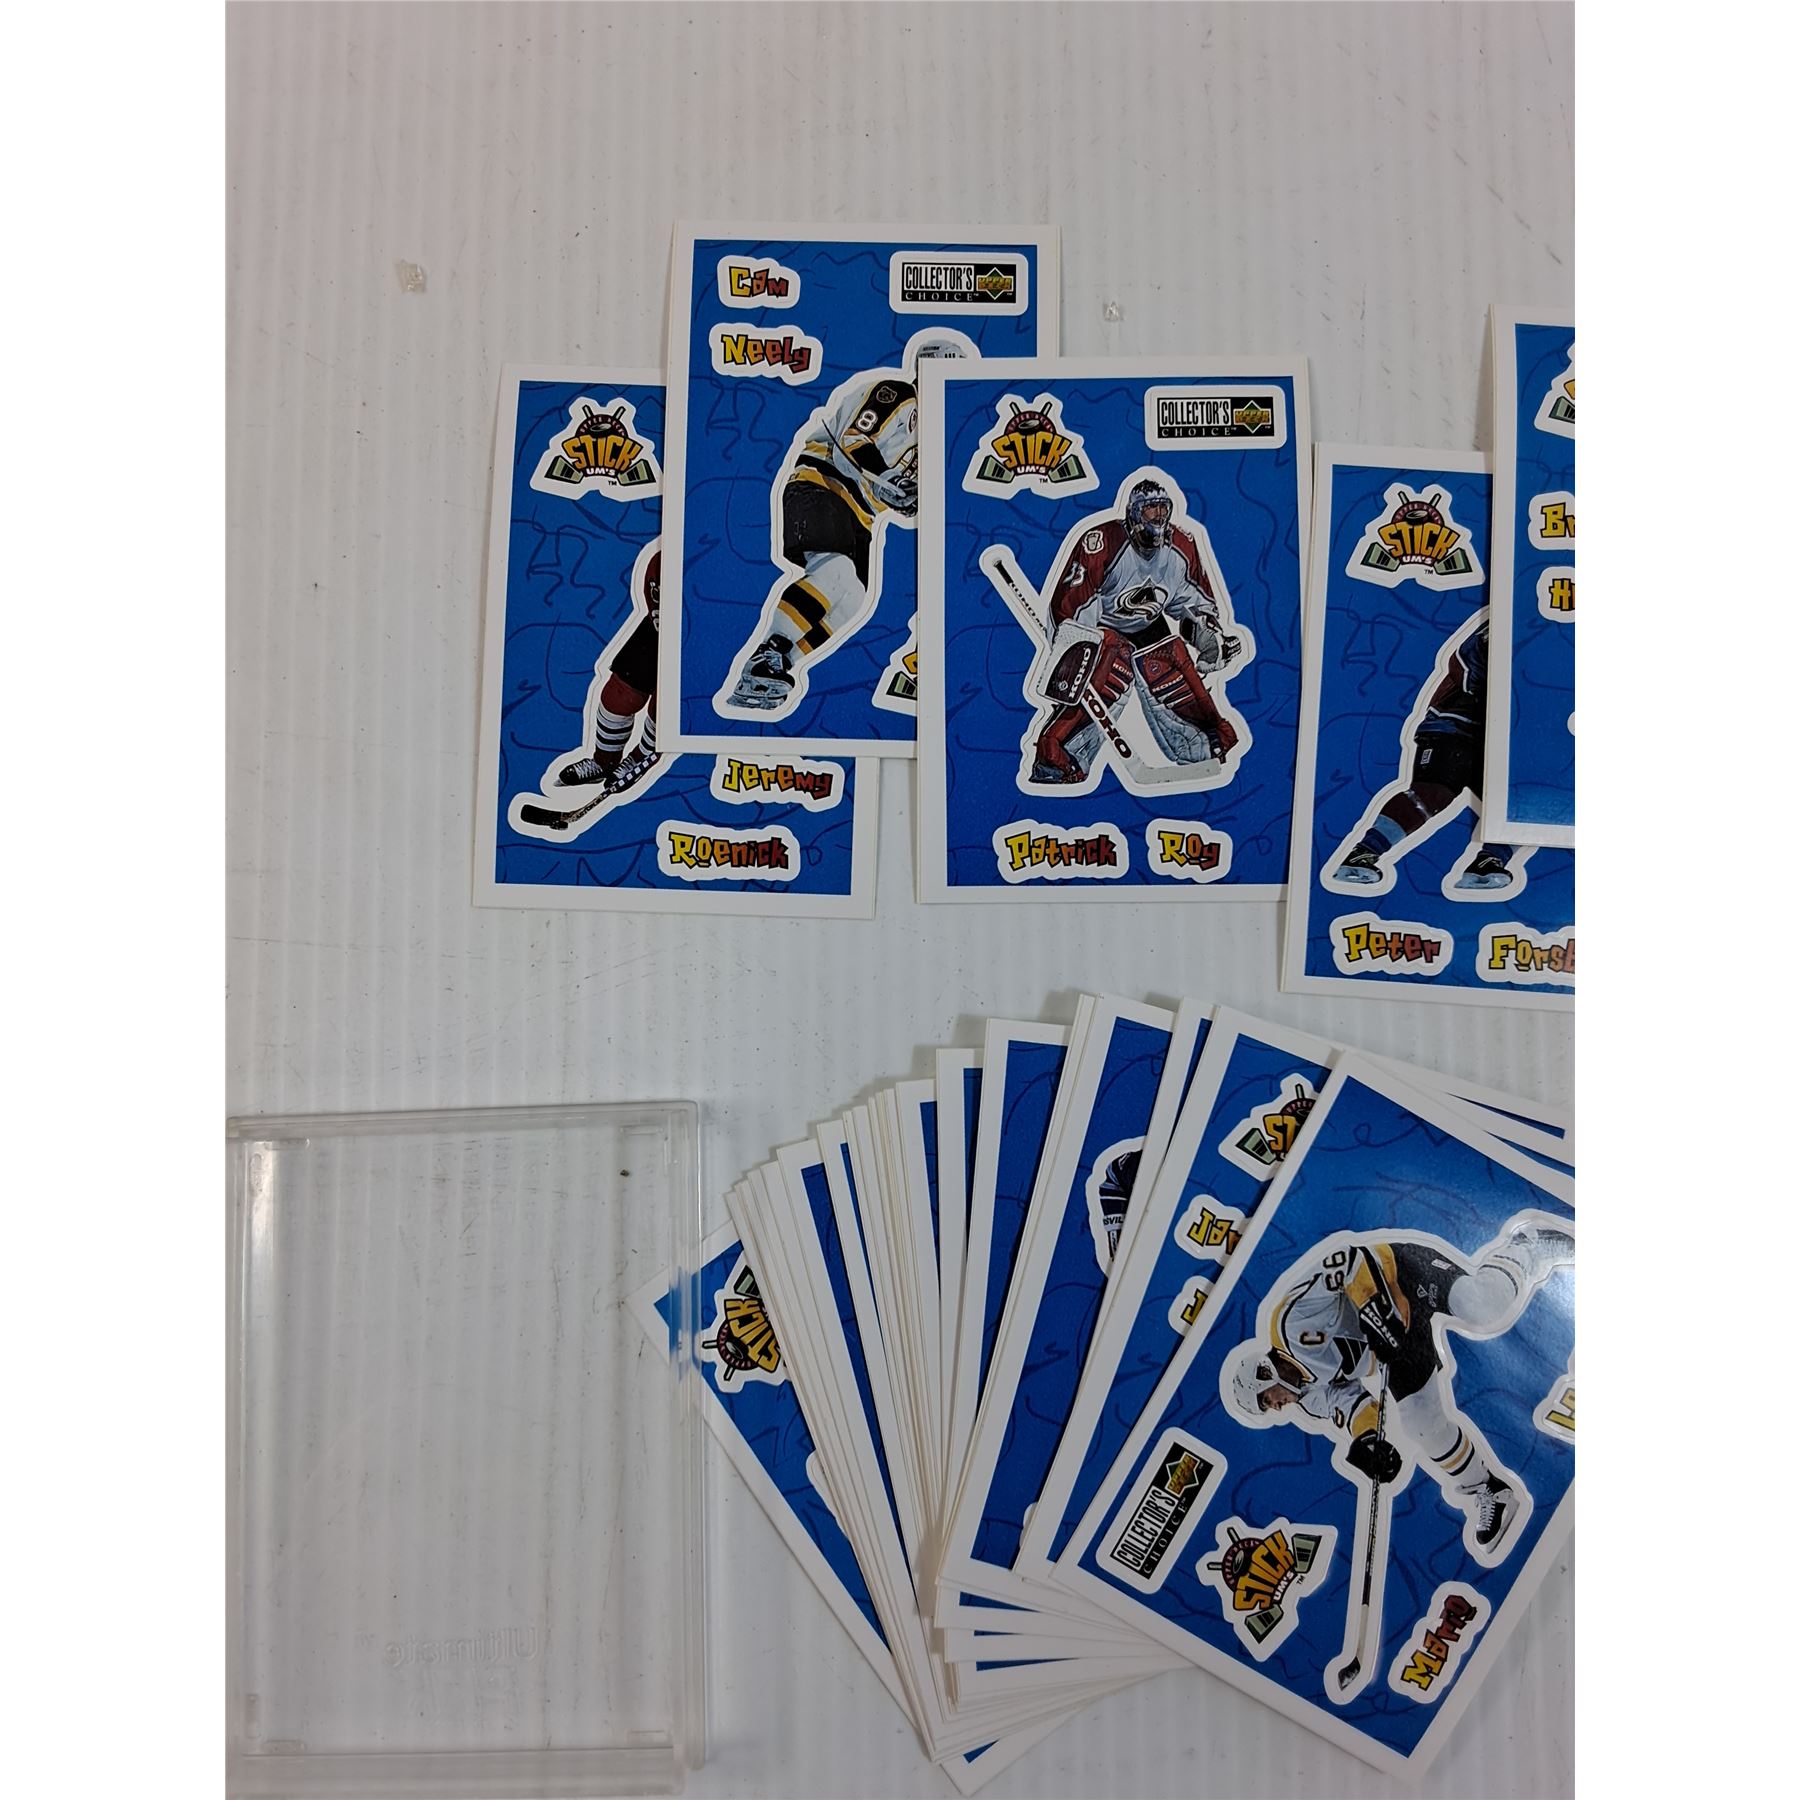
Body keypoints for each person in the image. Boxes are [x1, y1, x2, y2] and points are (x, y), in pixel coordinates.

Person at [1226, 1216, 1573, 1559]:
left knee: (1480, 1306)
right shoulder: (1309, 1398)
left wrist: (1371, 1307)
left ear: (1263, 1374)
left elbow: (1346, 1260)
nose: (1276, 1406)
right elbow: (1354, 1407)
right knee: (1420, 1421)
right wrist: (1367, 1443)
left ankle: (1527, 1246)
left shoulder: (1288, 1320)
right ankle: (1490, 1490)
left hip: (1398, 1274)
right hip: (1395, 1346)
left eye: (1266, 1399)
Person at [721, 329, 976, 714]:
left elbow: (898, 493)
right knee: (835, 571)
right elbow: (855, 439)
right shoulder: (897, 395)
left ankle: (781, 663)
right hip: (823, 482)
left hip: (860, 512)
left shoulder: (934, 433)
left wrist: (907, 499)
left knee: (853, 598)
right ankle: (766, 652)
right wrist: (889, 480)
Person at [1024, 476, 1245, 787]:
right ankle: (1057, 758)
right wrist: (1076, 657)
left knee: (1169, 660)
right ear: (1133, 513)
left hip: (1147, 625)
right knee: (1110, 666)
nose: (1158, 517)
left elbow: (1193, 603)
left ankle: (1205, 746)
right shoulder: (1102, 542)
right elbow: (1072, 605)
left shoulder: (1181, 545)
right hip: (1101, 628)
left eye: (1163, 509)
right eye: (1150, 509)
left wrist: (1210, 638)